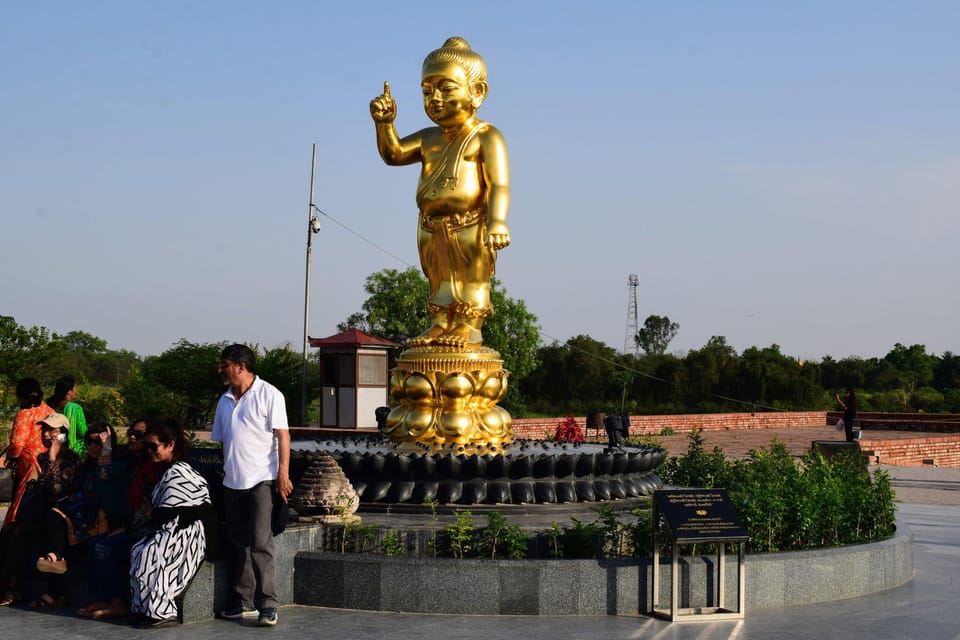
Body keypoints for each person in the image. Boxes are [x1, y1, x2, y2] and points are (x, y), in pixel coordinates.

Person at [370, 36, 511, 349]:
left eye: (445, 88)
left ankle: (469, 325)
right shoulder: (428, 138)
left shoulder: (486, 136)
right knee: (439, 280)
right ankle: (440, 323)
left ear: (477, 92)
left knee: (470, 280)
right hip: (430, 226)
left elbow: (498, 184)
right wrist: (384, 124)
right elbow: (393, 154)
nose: (434, 98)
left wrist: (498, 221)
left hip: (470, 225)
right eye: (426, 90)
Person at [211, 343, 291, 627]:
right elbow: (223, 441)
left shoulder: (269, 394)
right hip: (233, 482)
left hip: (261, 480)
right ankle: (241, 601)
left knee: (261, 543)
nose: (221, 370)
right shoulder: (224, 400)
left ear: (241, 366)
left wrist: (283, 474)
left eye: (225, 364)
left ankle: (267, 603)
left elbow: (283, 435)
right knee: (239, 544)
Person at [129, 418, 213, 629]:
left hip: (188, 533)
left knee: (151, 554)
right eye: (147, 445)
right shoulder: (169, 469)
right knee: (140, 551)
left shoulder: (180, 471)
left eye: (153, 446)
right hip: (174, 529)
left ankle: (163, 611)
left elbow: (167, 512)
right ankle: (145, 609)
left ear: (170, 445)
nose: (148, 450)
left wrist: (150, 512)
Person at [78, 419, 163, 619]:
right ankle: (102, 598)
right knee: (95, 543)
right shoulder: (130, 460)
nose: (132, 436)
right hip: (123, 523)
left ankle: (117, 602)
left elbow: (106, 474)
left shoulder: (149, 465)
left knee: (103, 546)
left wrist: (107, 448)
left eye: (139, 435)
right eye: (131, 432)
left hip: (144, 529)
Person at [33, 423, 121, 608]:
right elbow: (50, 488)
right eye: (90, 442)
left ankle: (54, 576)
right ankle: (53, 568)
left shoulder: (113, 464)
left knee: (55, 523)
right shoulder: (85, 467)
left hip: (105, 518)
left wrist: (107, 449)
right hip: (82, 515)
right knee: (41, 525)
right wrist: (51, 457)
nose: (93, 446)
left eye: (99, 442)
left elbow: (105, 478)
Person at [0, 413, 81, 608]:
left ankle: (21, 589)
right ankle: (9, 586)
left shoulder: (70, 458)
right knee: (12, 531)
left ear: (62, 434)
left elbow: (57, 488)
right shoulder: (42, 457)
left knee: (30, 531)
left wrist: (53, 458)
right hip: (43, 510)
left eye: (51, 430)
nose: (45, 434)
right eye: (44, 429)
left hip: (65, 512)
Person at [1, 378, 51, 526]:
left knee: (22, 500)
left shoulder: (24, 413)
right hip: (49, 460)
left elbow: (17, 444)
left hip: (30, 465)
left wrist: (10, 457)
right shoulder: (49, 411)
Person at [48, 376, 88, 458]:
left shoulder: (52, 406)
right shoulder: (74, 407)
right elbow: (82, 431)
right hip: (74, 450)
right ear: (69, 392)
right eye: (75, 388)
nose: (76, 390)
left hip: (56, 448)